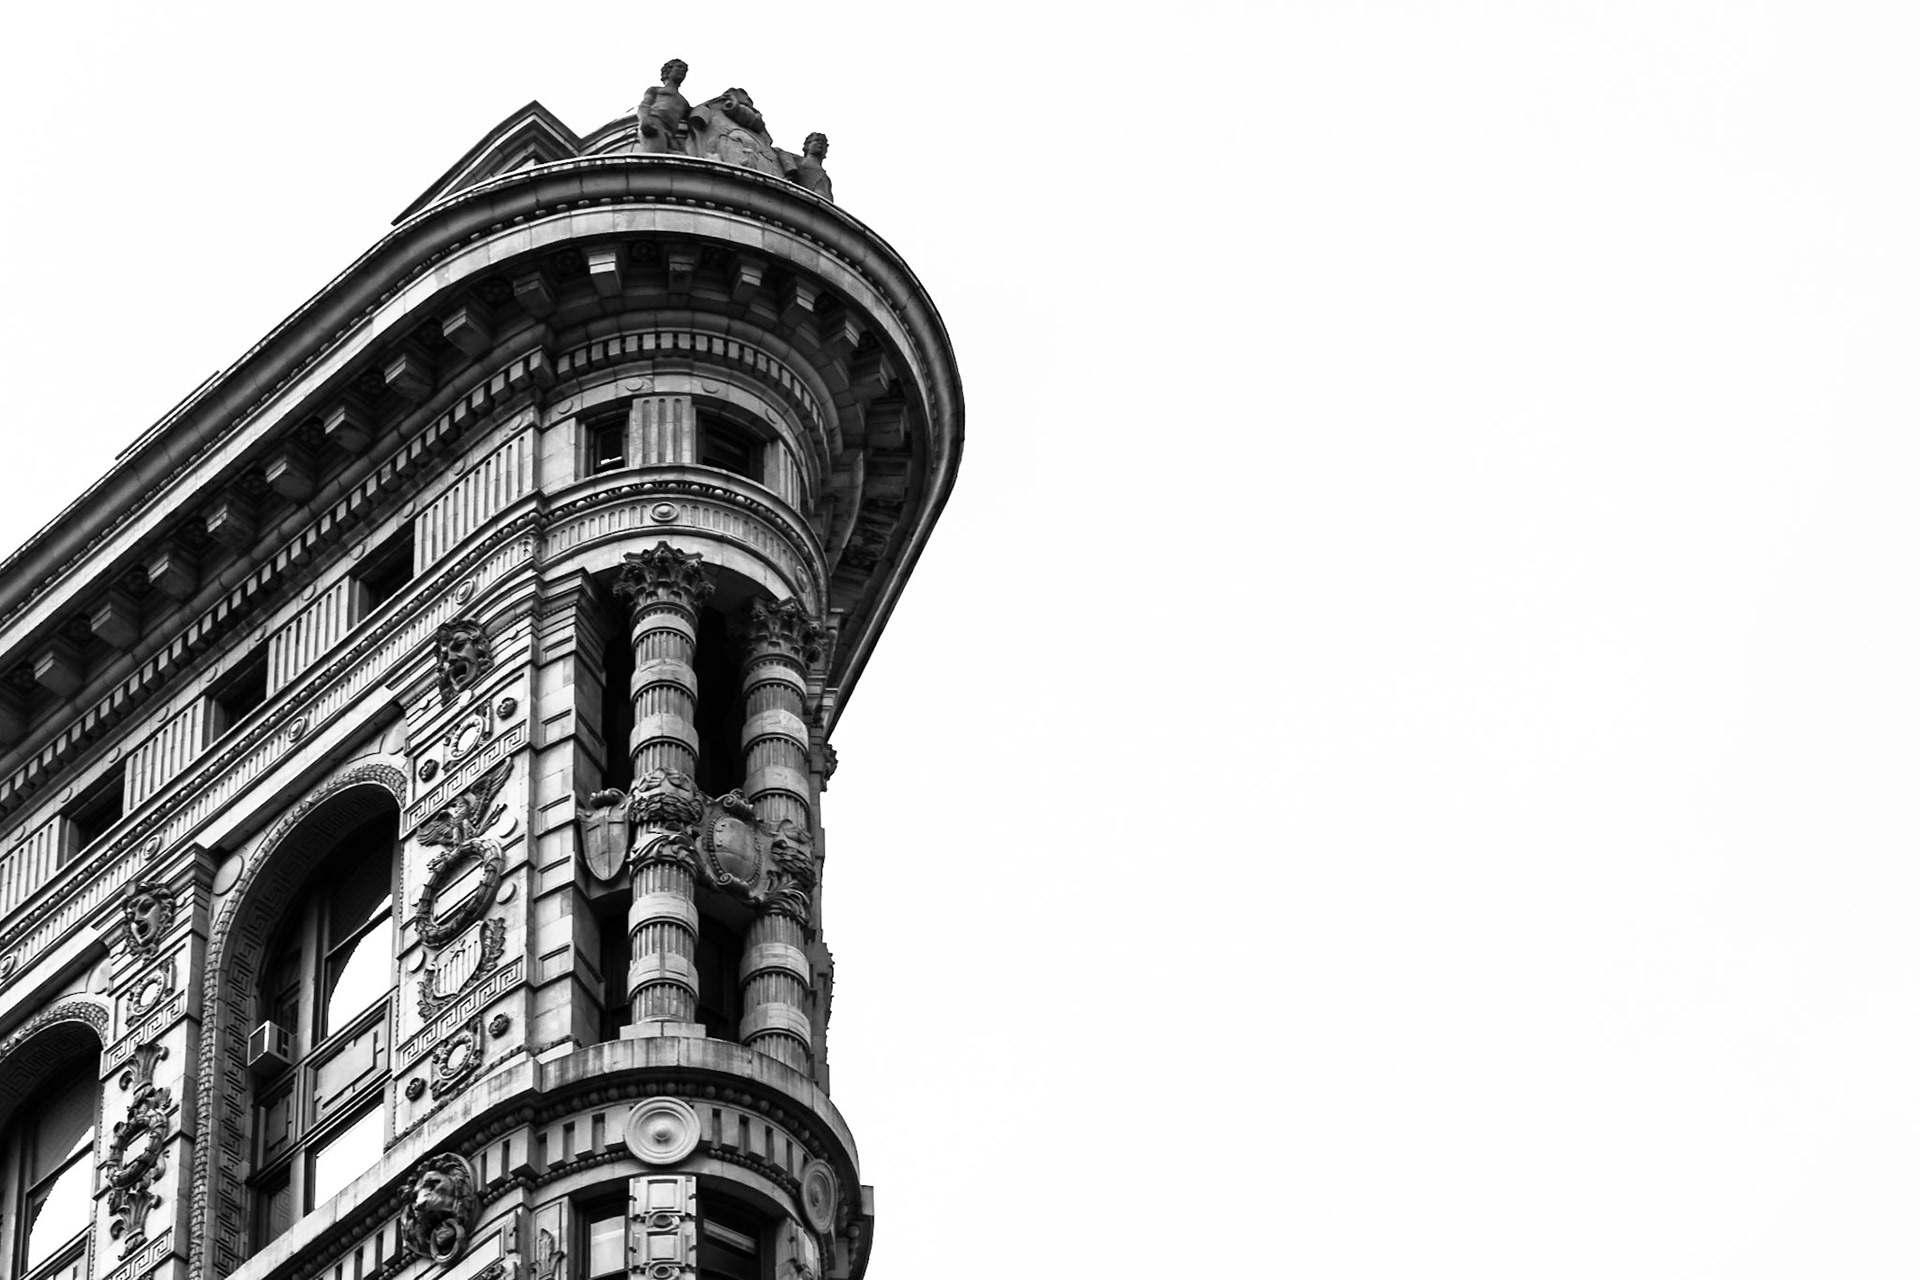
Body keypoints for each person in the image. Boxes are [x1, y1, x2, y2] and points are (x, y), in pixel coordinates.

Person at [636, 59, 691, 153]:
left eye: (685, 70)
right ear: (668, 70)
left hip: (671, 134)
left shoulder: (684, 102)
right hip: (655, 124)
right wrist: (645, 119)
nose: (682, 71)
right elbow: (644, 105)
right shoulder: (655, 90)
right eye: (679, 67)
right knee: (655, 157)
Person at [791, 132, 834, 201]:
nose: (821, 143)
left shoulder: (826, 177)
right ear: (807, 145)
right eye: (817, 140)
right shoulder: (797, 161)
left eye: (824, 142)